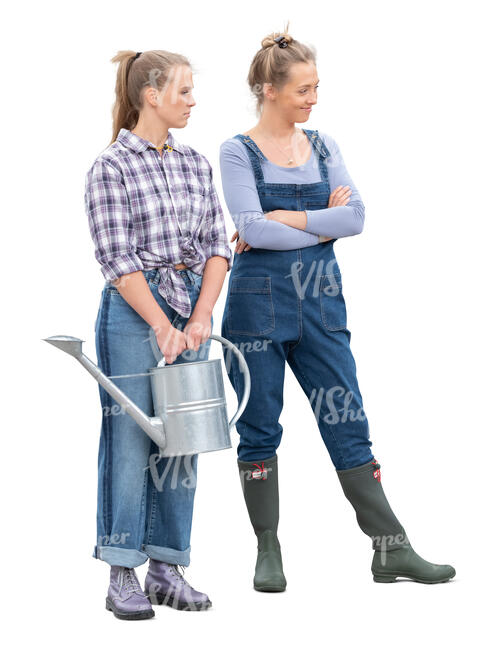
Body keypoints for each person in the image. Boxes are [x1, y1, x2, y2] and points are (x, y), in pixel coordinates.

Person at [219, 27, 456, 591]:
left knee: (347, 420)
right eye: (303, 89)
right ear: (269, 90)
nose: (314, 99)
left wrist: (287, 220)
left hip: (322, 309)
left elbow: (356, 218)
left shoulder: (324, 146)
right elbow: (250, 227)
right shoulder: (237, 150)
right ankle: (268, 550)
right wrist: (312, 224)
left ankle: (390, 549)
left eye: (316, 87)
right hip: (257, 313)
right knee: (258, 426)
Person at [85, 49, 232, 619]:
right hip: (133, 316)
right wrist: (162, 325)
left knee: (183, 441)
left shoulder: (196, 163)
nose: (193, 101)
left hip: (193, 313)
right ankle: (122, 571)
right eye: (184, 91)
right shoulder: (111, 167)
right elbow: (118, 261)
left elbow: (218, 245)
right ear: (152, 95)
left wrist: (197, 320)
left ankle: (167, 569)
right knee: (130, 441)